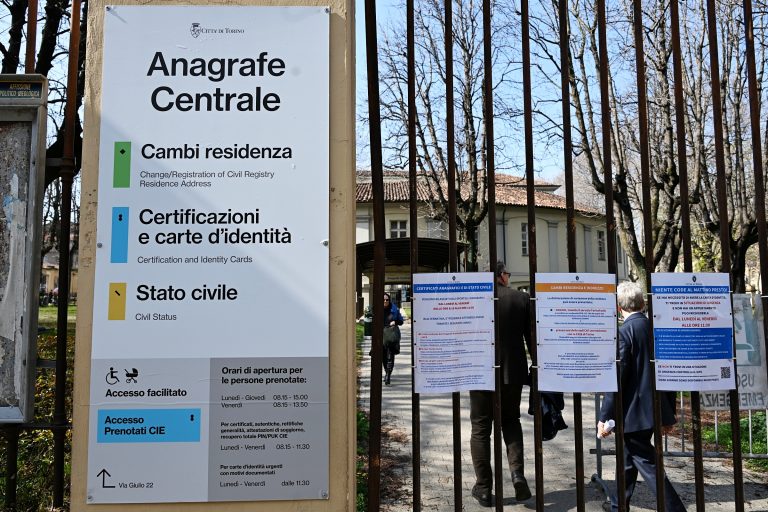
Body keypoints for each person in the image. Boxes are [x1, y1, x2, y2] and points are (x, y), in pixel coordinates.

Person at [597, 281, 685, 512]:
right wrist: (667, 413)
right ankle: (618, 505)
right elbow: (667, 373)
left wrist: (604, 416)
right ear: (643, 303)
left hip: (632, 414)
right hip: (652, 410)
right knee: (628, 461)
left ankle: (675, 509)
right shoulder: (655, 329)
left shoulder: (624, 333)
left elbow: (617, 380)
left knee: (647, 465)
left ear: (618, 308)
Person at [470, 262, 533, 507]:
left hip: (480, 370)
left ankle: (484, 487)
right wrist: (537, 368)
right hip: (512, 372)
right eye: (507, 273)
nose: (509, 277)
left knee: (481, 427)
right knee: (511, 420)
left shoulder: (476, 298)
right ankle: (517, 475)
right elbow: (532, 338)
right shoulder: (521, 298)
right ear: (501, 276)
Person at [381, 292, 404, 386]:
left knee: (390, 356)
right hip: (381, 336)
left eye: (387, 300)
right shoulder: (377, 309)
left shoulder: (394, 309)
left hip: (391, 336)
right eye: (383, 300)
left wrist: (395, 322)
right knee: (383, 356)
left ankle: (388, 375)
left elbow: (401, 321)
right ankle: (386, 371)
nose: (385, 301)